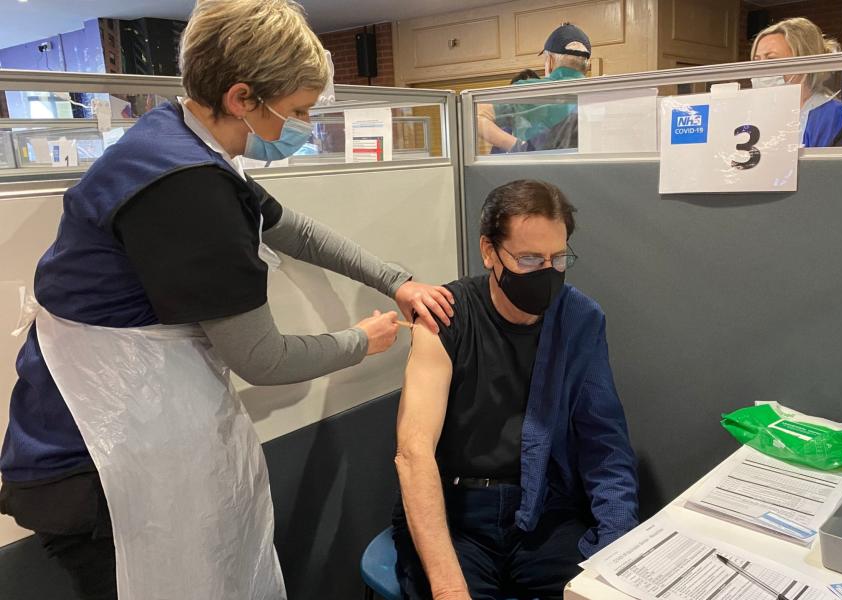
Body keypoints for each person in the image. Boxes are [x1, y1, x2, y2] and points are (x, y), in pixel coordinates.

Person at [0, 1, 454, 599]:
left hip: (111, 440)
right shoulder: (187, 190)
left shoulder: (177, 144)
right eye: (296, 112)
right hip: (90, 466)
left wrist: (394, 278)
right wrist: (360, 342)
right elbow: (263, 360)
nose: (304, 126)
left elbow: (295, 230)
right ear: (243, 97)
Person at [393, 180, 639, 600]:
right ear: (490, 252)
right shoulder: (445, 316)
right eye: (528, 259)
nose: (546, 272)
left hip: (543, 509)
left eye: (558, 259)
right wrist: (450, 587)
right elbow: (413, 453)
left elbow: (605, 443)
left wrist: (617, 552)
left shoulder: (579, 319)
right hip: (458, 512)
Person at [751, 17, 842, 148]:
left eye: (771, 59)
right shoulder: (755, 115)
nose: (760, 69)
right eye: (757, 61)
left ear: (803, 61)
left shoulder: (835, 119)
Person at [478, 23, 592, 153]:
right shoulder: (602, 94)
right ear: (587, 66)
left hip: (536, 172)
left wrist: (519, 147)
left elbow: (477, 116)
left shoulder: (529, 91)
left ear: (550, 61)